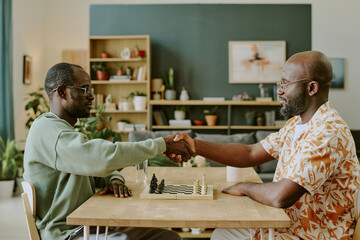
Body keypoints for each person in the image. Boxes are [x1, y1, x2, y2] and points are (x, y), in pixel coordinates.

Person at [171, 51, 360, 239]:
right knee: (223, 233)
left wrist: (245, 187)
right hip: (288, 226)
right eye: (280, 83)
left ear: (311, 88)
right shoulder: (297, 124)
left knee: (224, 235)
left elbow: (281, 196)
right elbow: (251, 153)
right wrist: (194, 145)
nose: (279, 90)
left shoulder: (327, 131)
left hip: (312, 234)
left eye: (286, 83)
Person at [23, 63, 192, 240]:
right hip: (68, 233)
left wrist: (114, 179)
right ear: (62, 92)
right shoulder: (48, 131)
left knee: (169, 238)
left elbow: (92, 168)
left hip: (88, 224)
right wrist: (162, 144)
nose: (91, 97)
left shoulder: (63, 130)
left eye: (91, 90)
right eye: (84, 89)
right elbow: (102, 157)